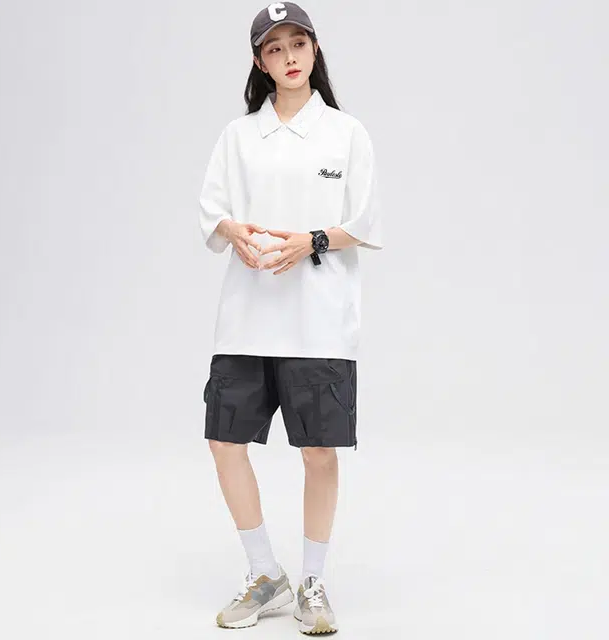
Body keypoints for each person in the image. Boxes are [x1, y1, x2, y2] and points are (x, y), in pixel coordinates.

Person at [197, 2, 382, 634]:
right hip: (245, 318)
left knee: (319, 451)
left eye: (298, 43)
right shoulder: (238, 136)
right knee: (224, 443)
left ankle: (313, 582)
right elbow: (213, 212)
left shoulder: (346, 133)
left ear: (314, 49)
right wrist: (234, 231)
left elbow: (364, 222)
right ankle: (263, 572)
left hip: (319, 321)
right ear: (260, 62)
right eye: (274, 48)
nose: (289, 57)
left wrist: (311, 241)